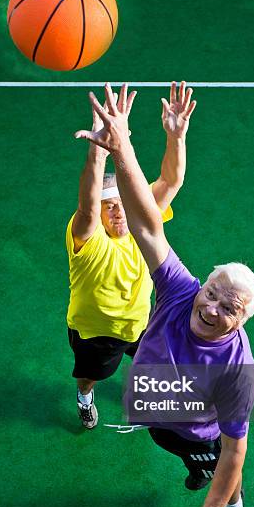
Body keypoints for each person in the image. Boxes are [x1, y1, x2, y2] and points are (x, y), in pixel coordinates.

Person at [75, 83, 254, 507]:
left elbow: (235, 450)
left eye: (228, 308)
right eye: (212, 291)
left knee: (219, 467)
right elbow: (146, 224)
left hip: (198, 430)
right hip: (158, 415)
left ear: (241, 323)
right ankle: (200, 473)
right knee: (189, 456)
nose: (212, 306)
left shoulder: (237, 372)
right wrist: (122, 148)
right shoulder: (181, 289)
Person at [67, 82, 196, 429]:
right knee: (92, 376)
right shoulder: (88, 239)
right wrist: (100, 151)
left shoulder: (142, 225)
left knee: (154, 367)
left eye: (122, 204)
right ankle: (84, 396)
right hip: (98, 333)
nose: (118, 212)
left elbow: (171, 181)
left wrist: (176, 136)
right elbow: (87, 205)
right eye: (109, 206)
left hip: (143, 322)